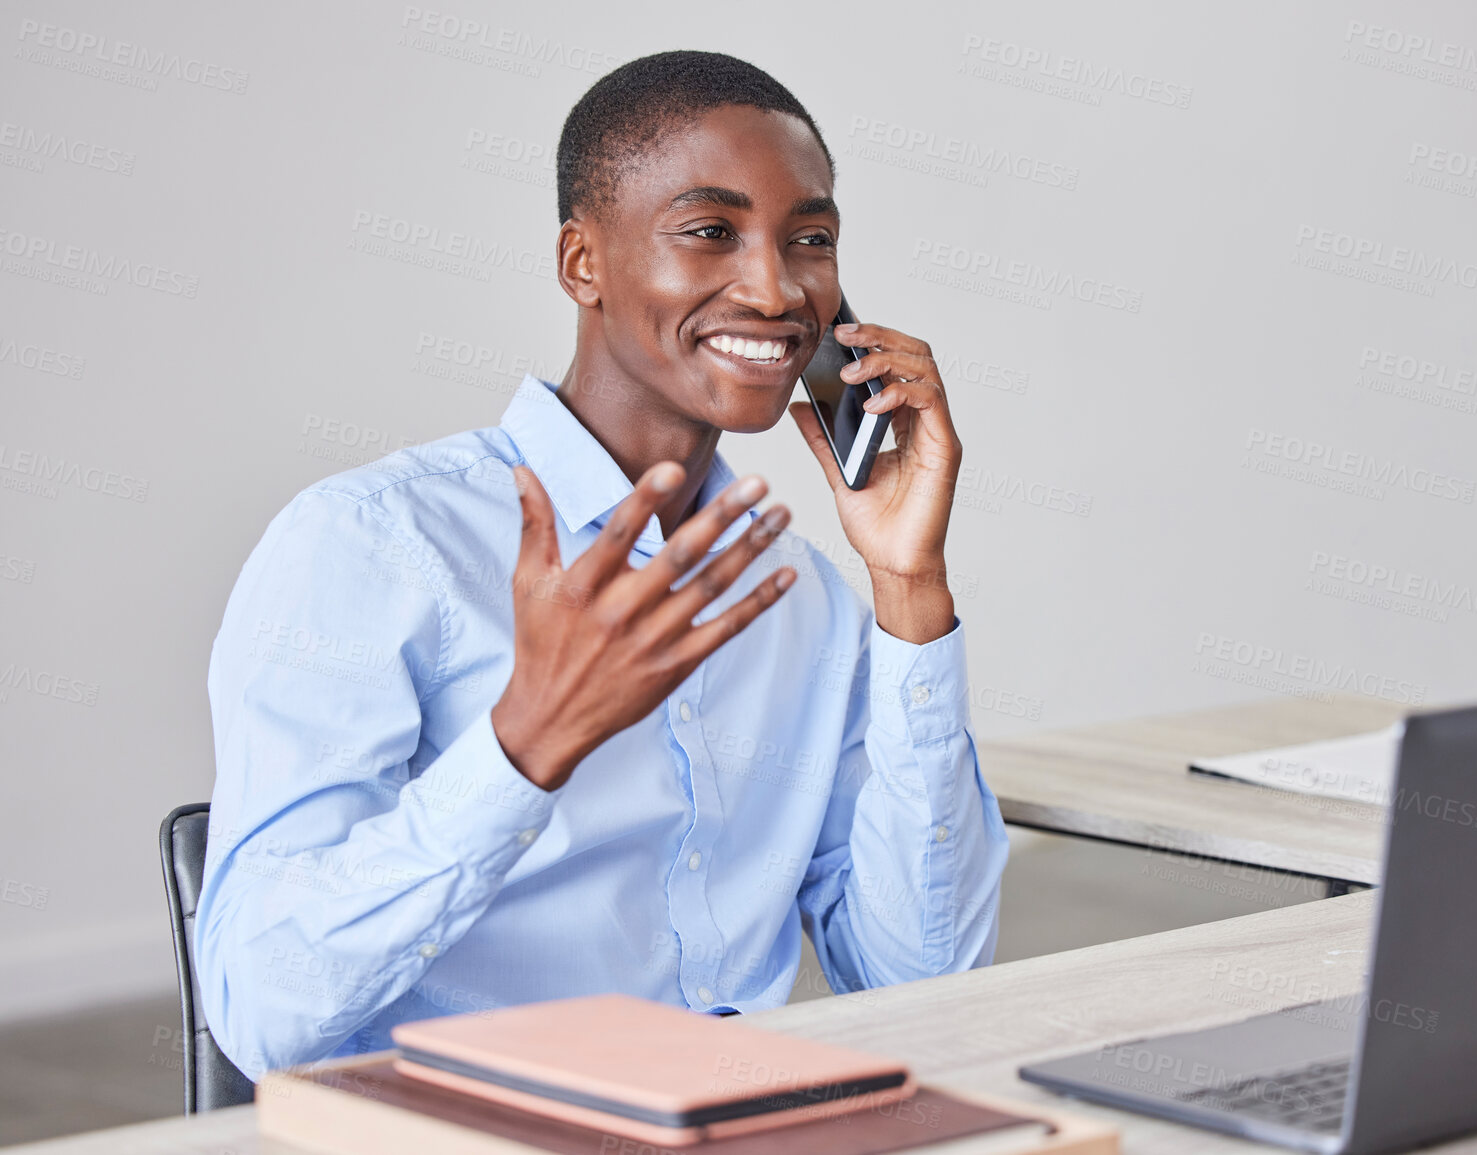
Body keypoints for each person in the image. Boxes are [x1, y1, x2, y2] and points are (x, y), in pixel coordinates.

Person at [194, 50, 1009, 1080]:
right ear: (583, 263)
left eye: (810, 240)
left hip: (740, 1123)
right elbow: (262, 1011)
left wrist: (909, 588)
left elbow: (926, 984)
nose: (774, 288)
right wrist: (526, 744)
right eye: (711, 231)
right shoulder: (371, 546)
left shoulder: (804, 599)